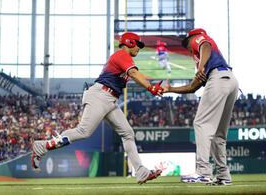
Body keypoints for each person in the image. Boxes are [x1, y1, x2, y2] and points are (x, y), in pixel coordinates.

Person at [32, 32, 163, 184]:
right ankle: (42, 146)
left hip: (109, 99)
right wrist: (150, 87)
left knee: (128, 133)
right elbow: (133, 73)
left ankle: (141, 172)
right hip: (100, 95)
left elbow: (131, 75)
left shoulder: (123, 58)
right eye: (138, 45)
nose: (139, 48)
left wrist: (151, 87)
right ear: (130, 42)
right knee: (83, 131)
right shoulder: (121, 54)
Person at [162, 28, 239, 186]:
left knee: (201, 123)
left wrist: (201, 67)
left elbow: (205, 45)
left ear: (192, 38)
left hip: (218, 78)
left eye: (187, 44)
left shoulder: (199, 39)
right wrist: (170, 89)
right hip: (230, 81)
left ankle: (203, 171)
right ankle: (224, 176)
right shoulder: (203, 59)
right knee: (218, 134)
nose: (189, 49)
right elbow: (192, 87)